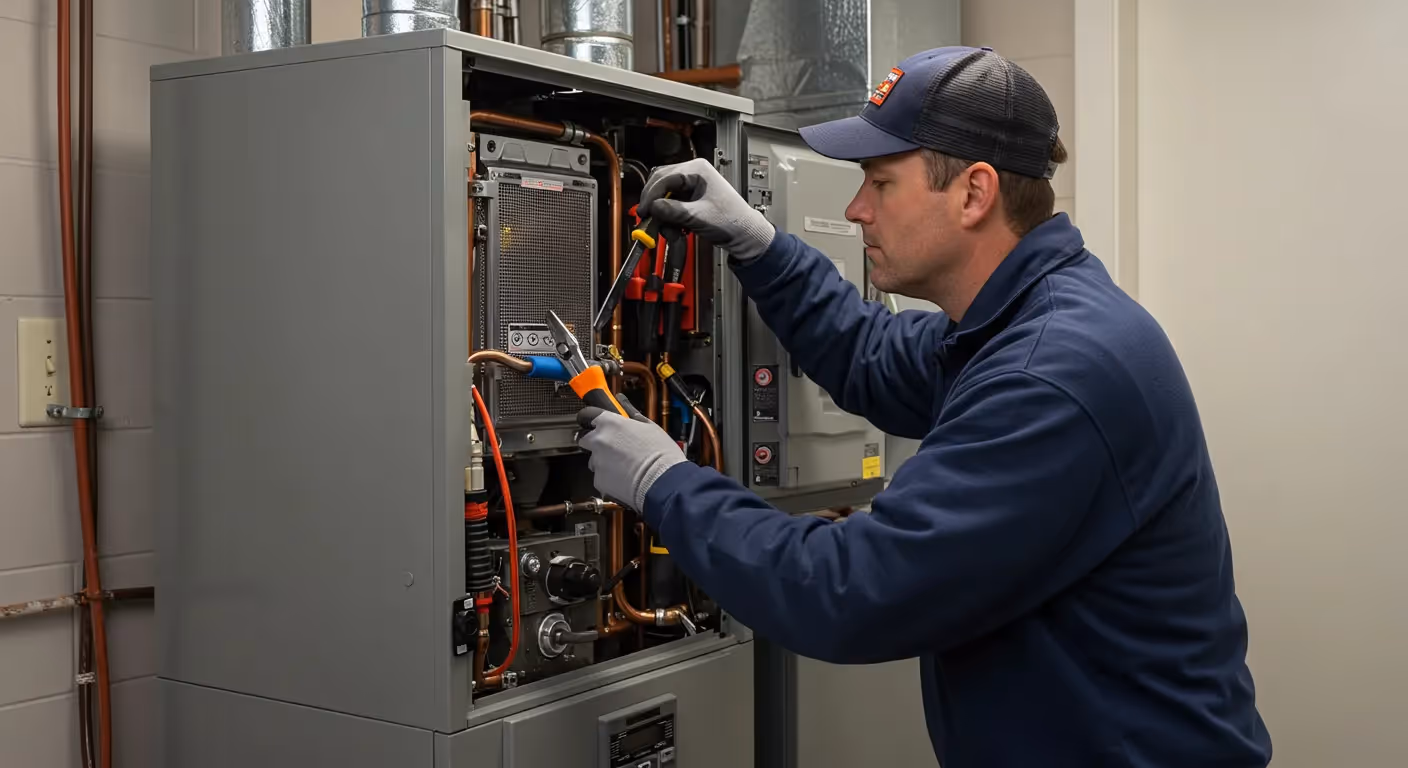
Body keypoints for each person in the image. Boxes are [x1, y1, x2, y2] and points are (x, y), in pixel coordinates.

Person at [575, 46, 1272, 767]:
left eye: (881, 182)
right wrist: (760, 245)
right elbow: (871, 355)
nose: (855, 209)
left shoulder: (1053, 375)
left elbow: (849, 591)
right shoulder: (1017, 323)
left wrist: (665, 483)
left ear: (974, 193)